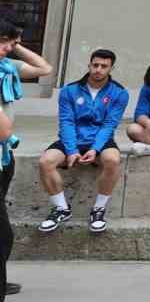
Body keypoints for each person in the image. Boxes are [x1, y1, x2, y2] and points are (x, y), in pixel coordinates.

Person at [37, 49, 127, 234]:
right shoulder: (69, 91)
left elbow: (110, 124)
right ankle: (61, 208)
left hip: (100, 140)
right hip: (73, 139)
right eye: (95, 65)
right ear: (89, 65)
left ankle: (98, 209)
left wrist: (95, 149)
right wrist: (71, 150)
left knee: (113, 159)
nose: (98, 70)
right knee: (45, 161)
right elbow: (66, 122)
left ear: (111, 68)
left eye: (104, 66)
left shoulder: (120, 93)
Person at [1, 16, 52, 302]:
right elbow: (4, 128)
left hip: (4, 158)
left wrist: (16, 47)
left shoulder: (7, 69)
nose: (8, 48)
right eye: (4, 41)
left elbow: (44, 69)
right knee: (2, 236)